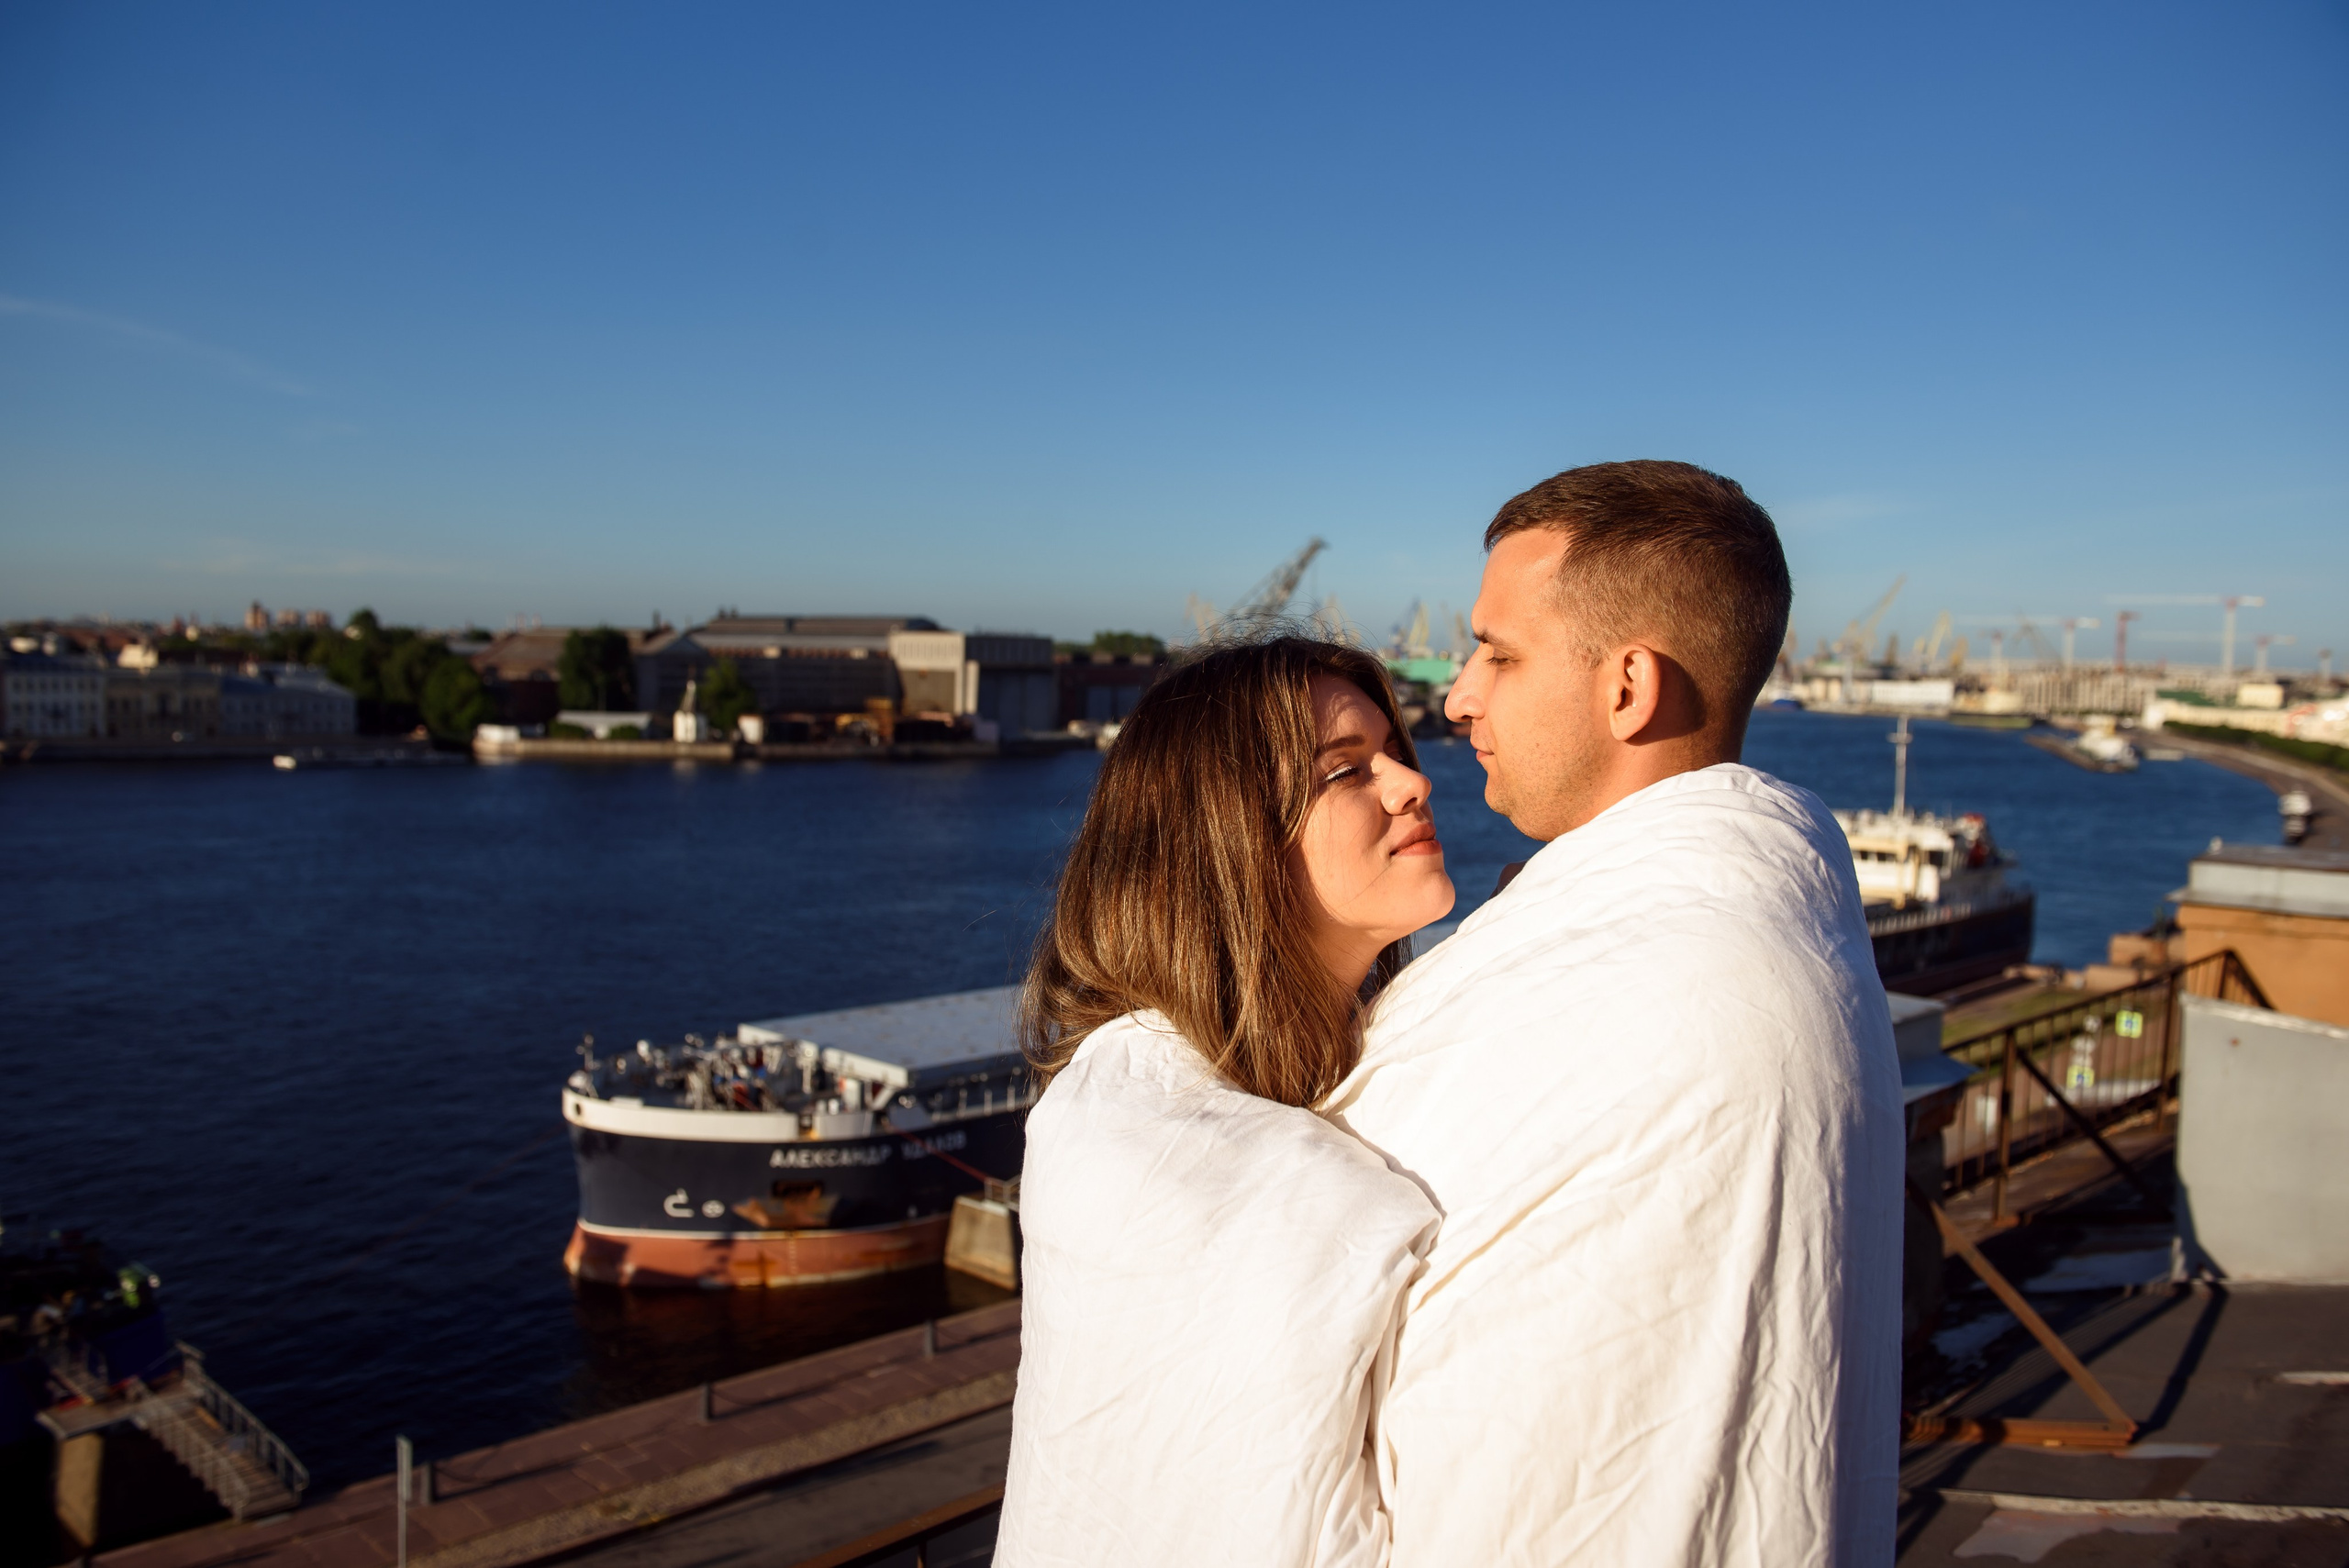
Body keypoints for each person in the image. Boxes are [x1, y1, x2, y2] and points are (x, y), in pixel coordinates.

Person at [1325, 461, 1904, 1566]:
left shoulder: (1618, 984)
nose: (1456, 696)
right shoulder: (1782, 940)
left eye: (1498, 652)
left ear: (1628, 685)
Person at [996, 636, 1453, 1568]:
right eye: (1345, 769)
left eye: (1393, 753)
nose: (1412, 783)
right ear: (1228, 832)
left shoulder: (1272, 1088)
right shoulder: (1169, 1153)